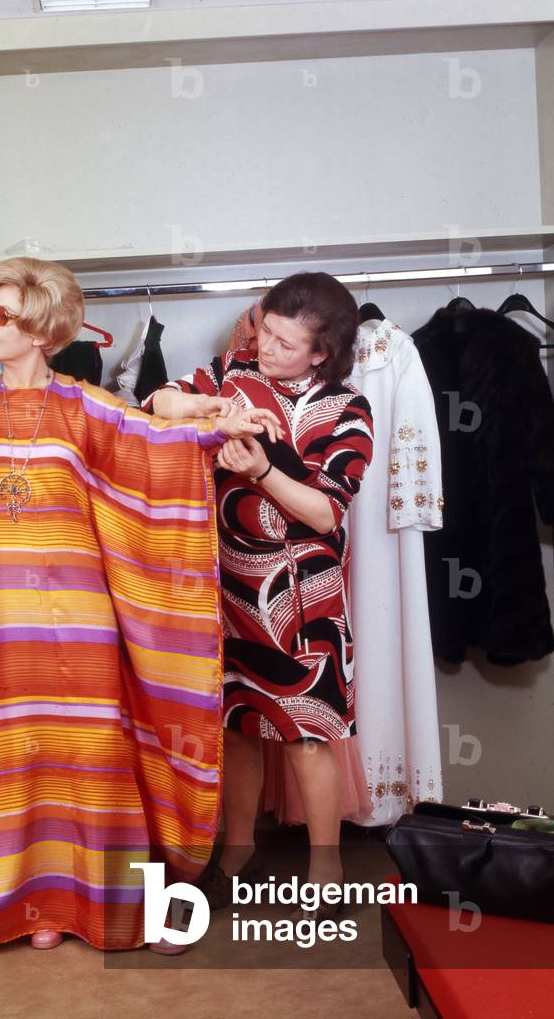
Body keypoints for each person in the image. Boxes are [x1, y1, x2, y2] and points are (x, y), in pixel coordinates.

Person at [0, 256, 283, 953]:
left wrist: (214, 429)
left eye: (4, 315)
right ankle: (43, 908)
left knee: (94, 762)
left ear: (42, 330)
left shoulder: (87, 409)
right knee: (17, 768)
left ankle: (125, 908)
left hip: (81, 630)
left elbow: (159, 450)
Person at [144, 272, 374, 917]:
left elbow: (328, 514)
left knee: (307, 731)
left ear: (321, 352)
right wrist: (206, 410)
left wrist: (263, 470)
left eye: (284, 342)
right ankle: (238, 849)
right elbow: (153, 403)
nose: (266, 348)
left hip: (305, 598)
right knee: (237, 725)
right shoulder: (231, 370)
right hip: (224, 585)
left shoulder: (348, 408)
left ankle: (326, 870)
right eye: (264, 331)